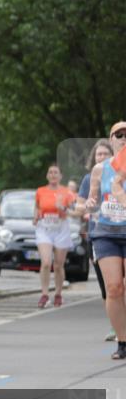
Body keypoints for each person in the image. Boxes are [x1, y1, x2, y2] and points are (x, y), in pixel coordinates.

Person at [85, 121, 126, 360]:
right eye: (118, 135)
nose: (123, 138)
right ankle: (122, 341)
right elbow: (92, 200)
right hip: (106, 233)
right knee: (113, 288)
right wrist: (90, 204)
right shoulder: (100, 169)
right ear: (111, 140)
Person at [72, 139, 115, 341]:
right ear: (93, 158)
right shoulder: (89, 179)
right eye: (99, 154)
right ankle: (115, 325)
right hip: (98, 236)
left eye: (106, 154)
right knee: (108, 285)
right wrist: (87, 207)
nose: (102, 157)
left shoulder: (121, 175)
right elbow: (78, 208)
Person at [34, 163, 77, 308]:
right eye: (50, 172)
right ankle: (44, 294)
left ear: (60, 176)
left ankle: (58, 294)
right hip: (44, 228)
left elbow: (76, 211)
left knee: (58, 265)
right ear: (47, 175)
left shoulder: (67, 192)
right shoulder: (40, 191)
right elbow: (37, 206)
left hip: (61, 228)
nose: (53, 175)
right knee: (46, 262)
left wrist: (63, 207)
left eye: (55, 172)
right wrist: (35, 216)